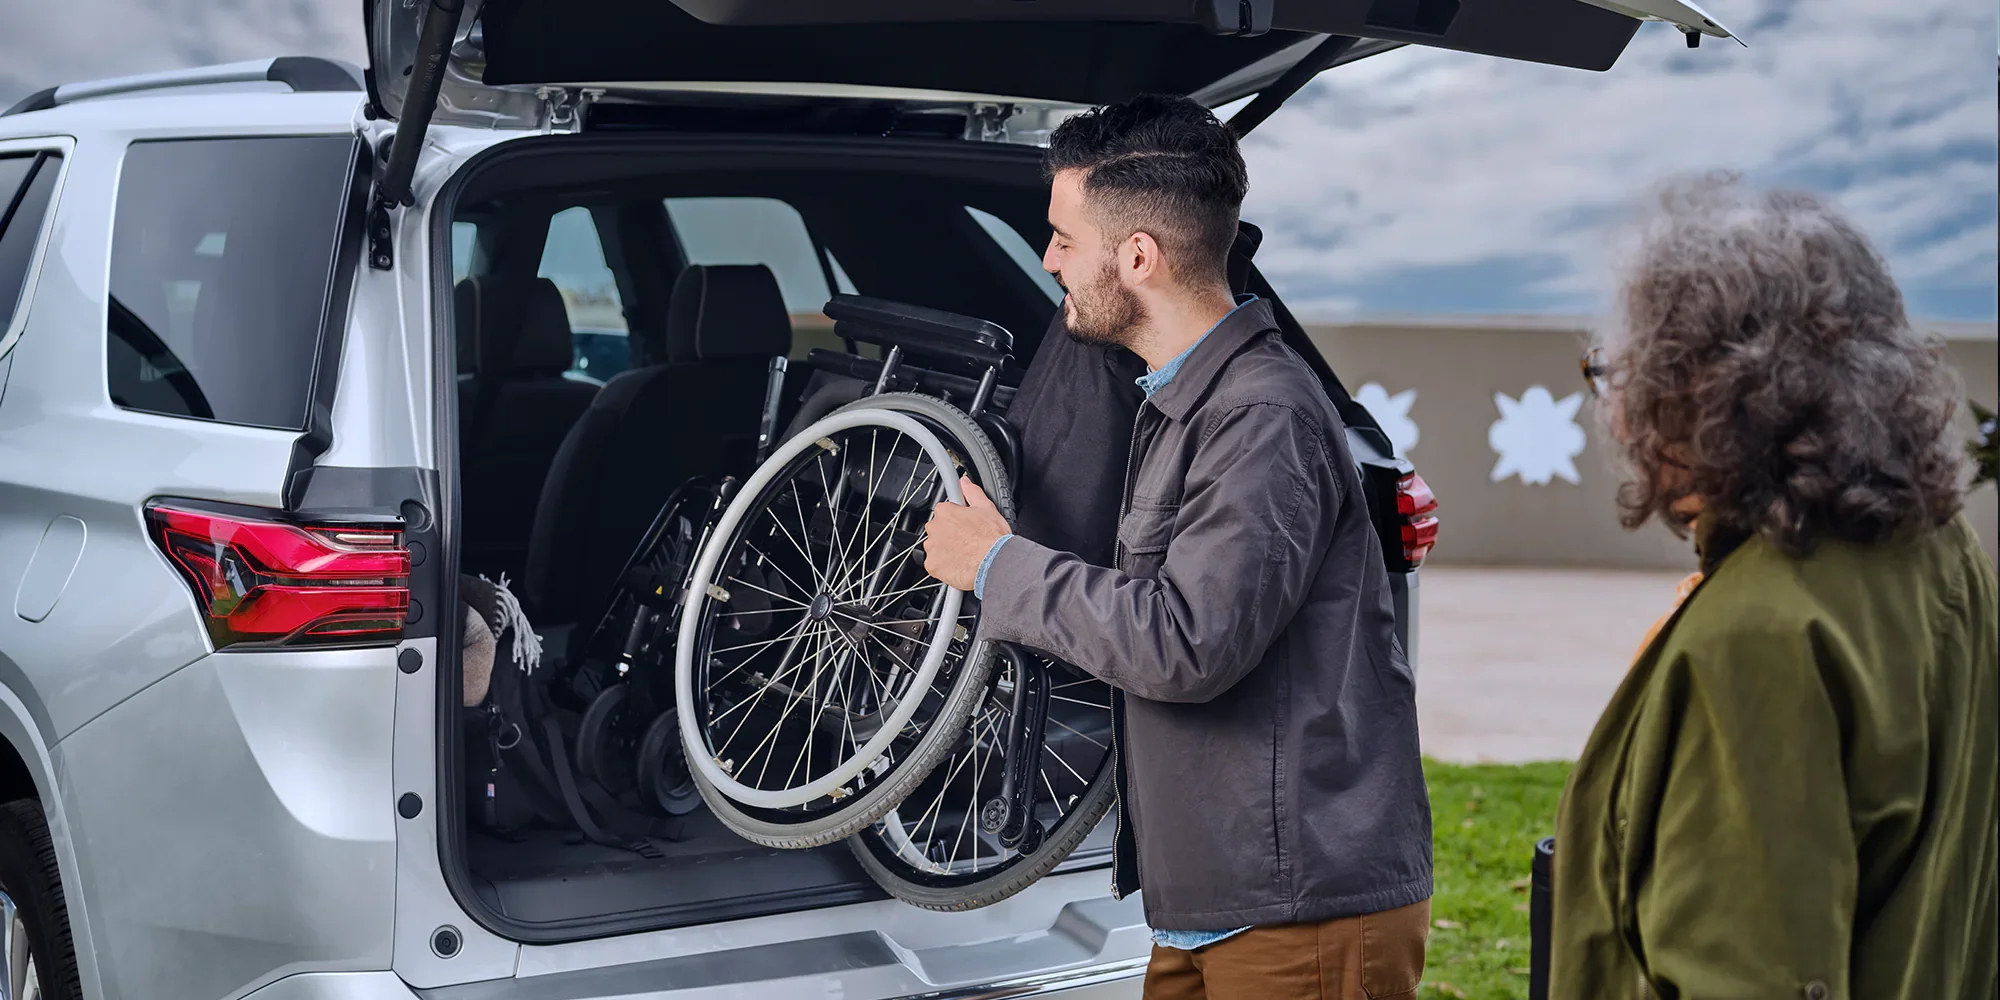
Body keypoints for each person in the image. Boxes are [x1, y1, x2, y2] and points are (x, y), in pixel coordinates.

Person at [923, 94, 1433, 1000]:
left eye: (1063, 241)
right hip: (1214, 898)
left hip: (1295, 910)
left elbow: (1187, 643)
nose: (1048, 262)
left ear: (1139, 258)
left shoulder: (1260, 417)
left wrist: (997, 564)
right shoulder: (1183, 400)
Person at [1554, 173, 1998, 999]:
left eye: (1621, 372)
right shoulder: (1939, 546)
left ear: (1707, 389)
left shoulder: (1757, 635)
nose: (1613, 413)